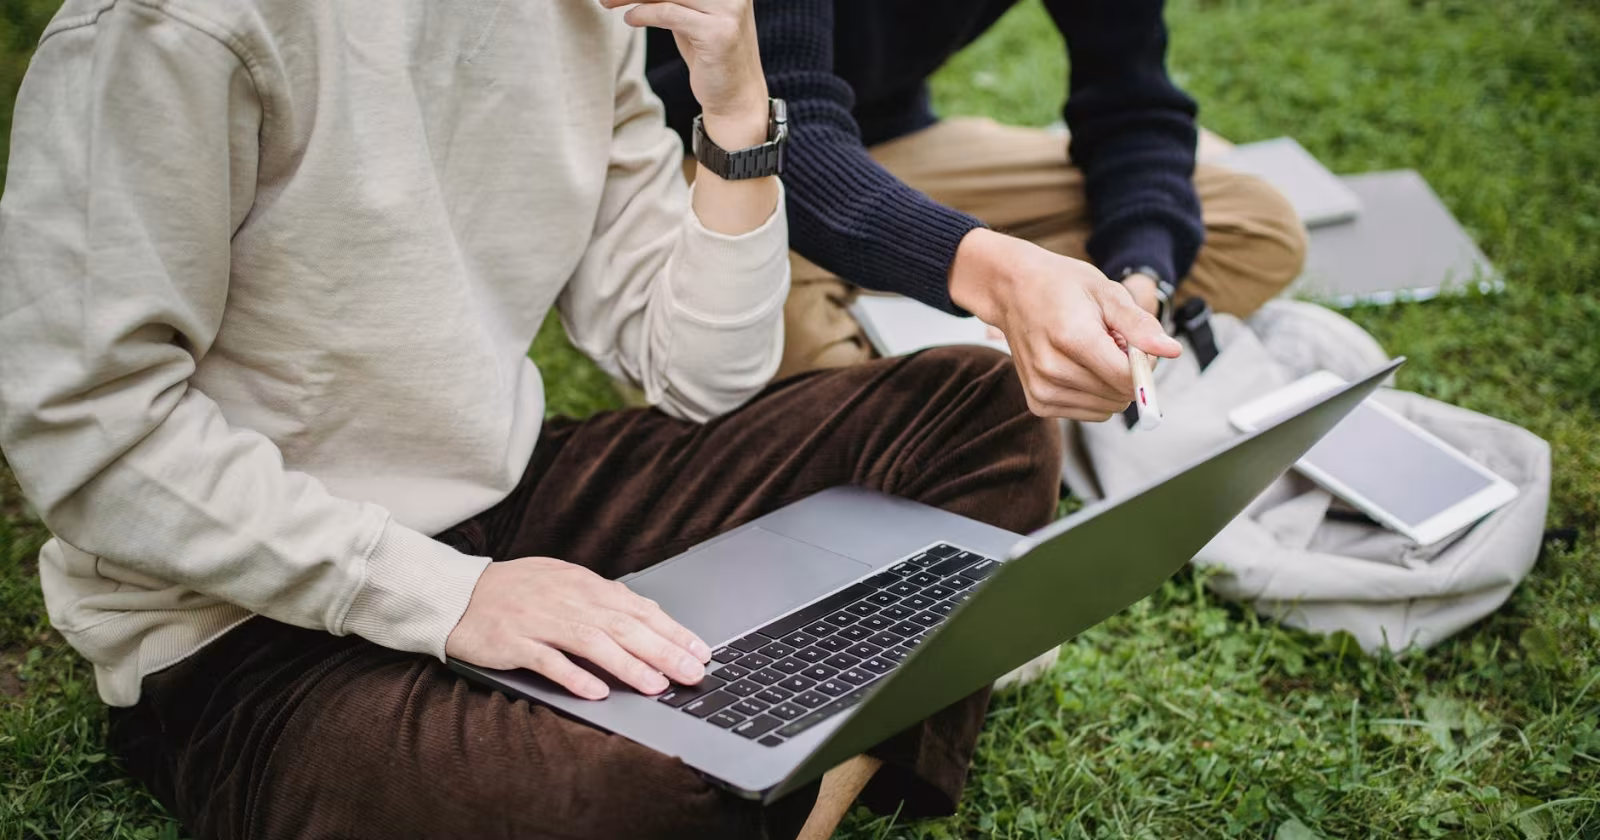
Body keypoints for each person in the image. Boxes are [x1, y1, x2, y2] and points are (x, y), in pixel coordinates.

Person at [0, 0, 1126, 837]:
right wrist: (453, 598)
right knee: (620, 791)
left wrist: (734, 111)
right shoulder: (171, 28)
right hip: (247, 630)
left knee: (980, 403)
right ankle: (825, 741)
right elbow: (89, 434)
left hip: (515, 506)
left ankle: (770, 766)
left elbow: (697, 373)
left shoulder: (579, 13)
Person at [646, 0, 1306, 415]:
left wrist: (1137, 282)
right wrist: (999, 275)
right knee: (781, 357)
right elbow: (788, 129)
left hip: (898, 140)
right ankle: (935, 365)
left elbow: (1134, 106)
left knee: (1254, 223)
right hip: (711, 150)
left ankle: (964, 362)